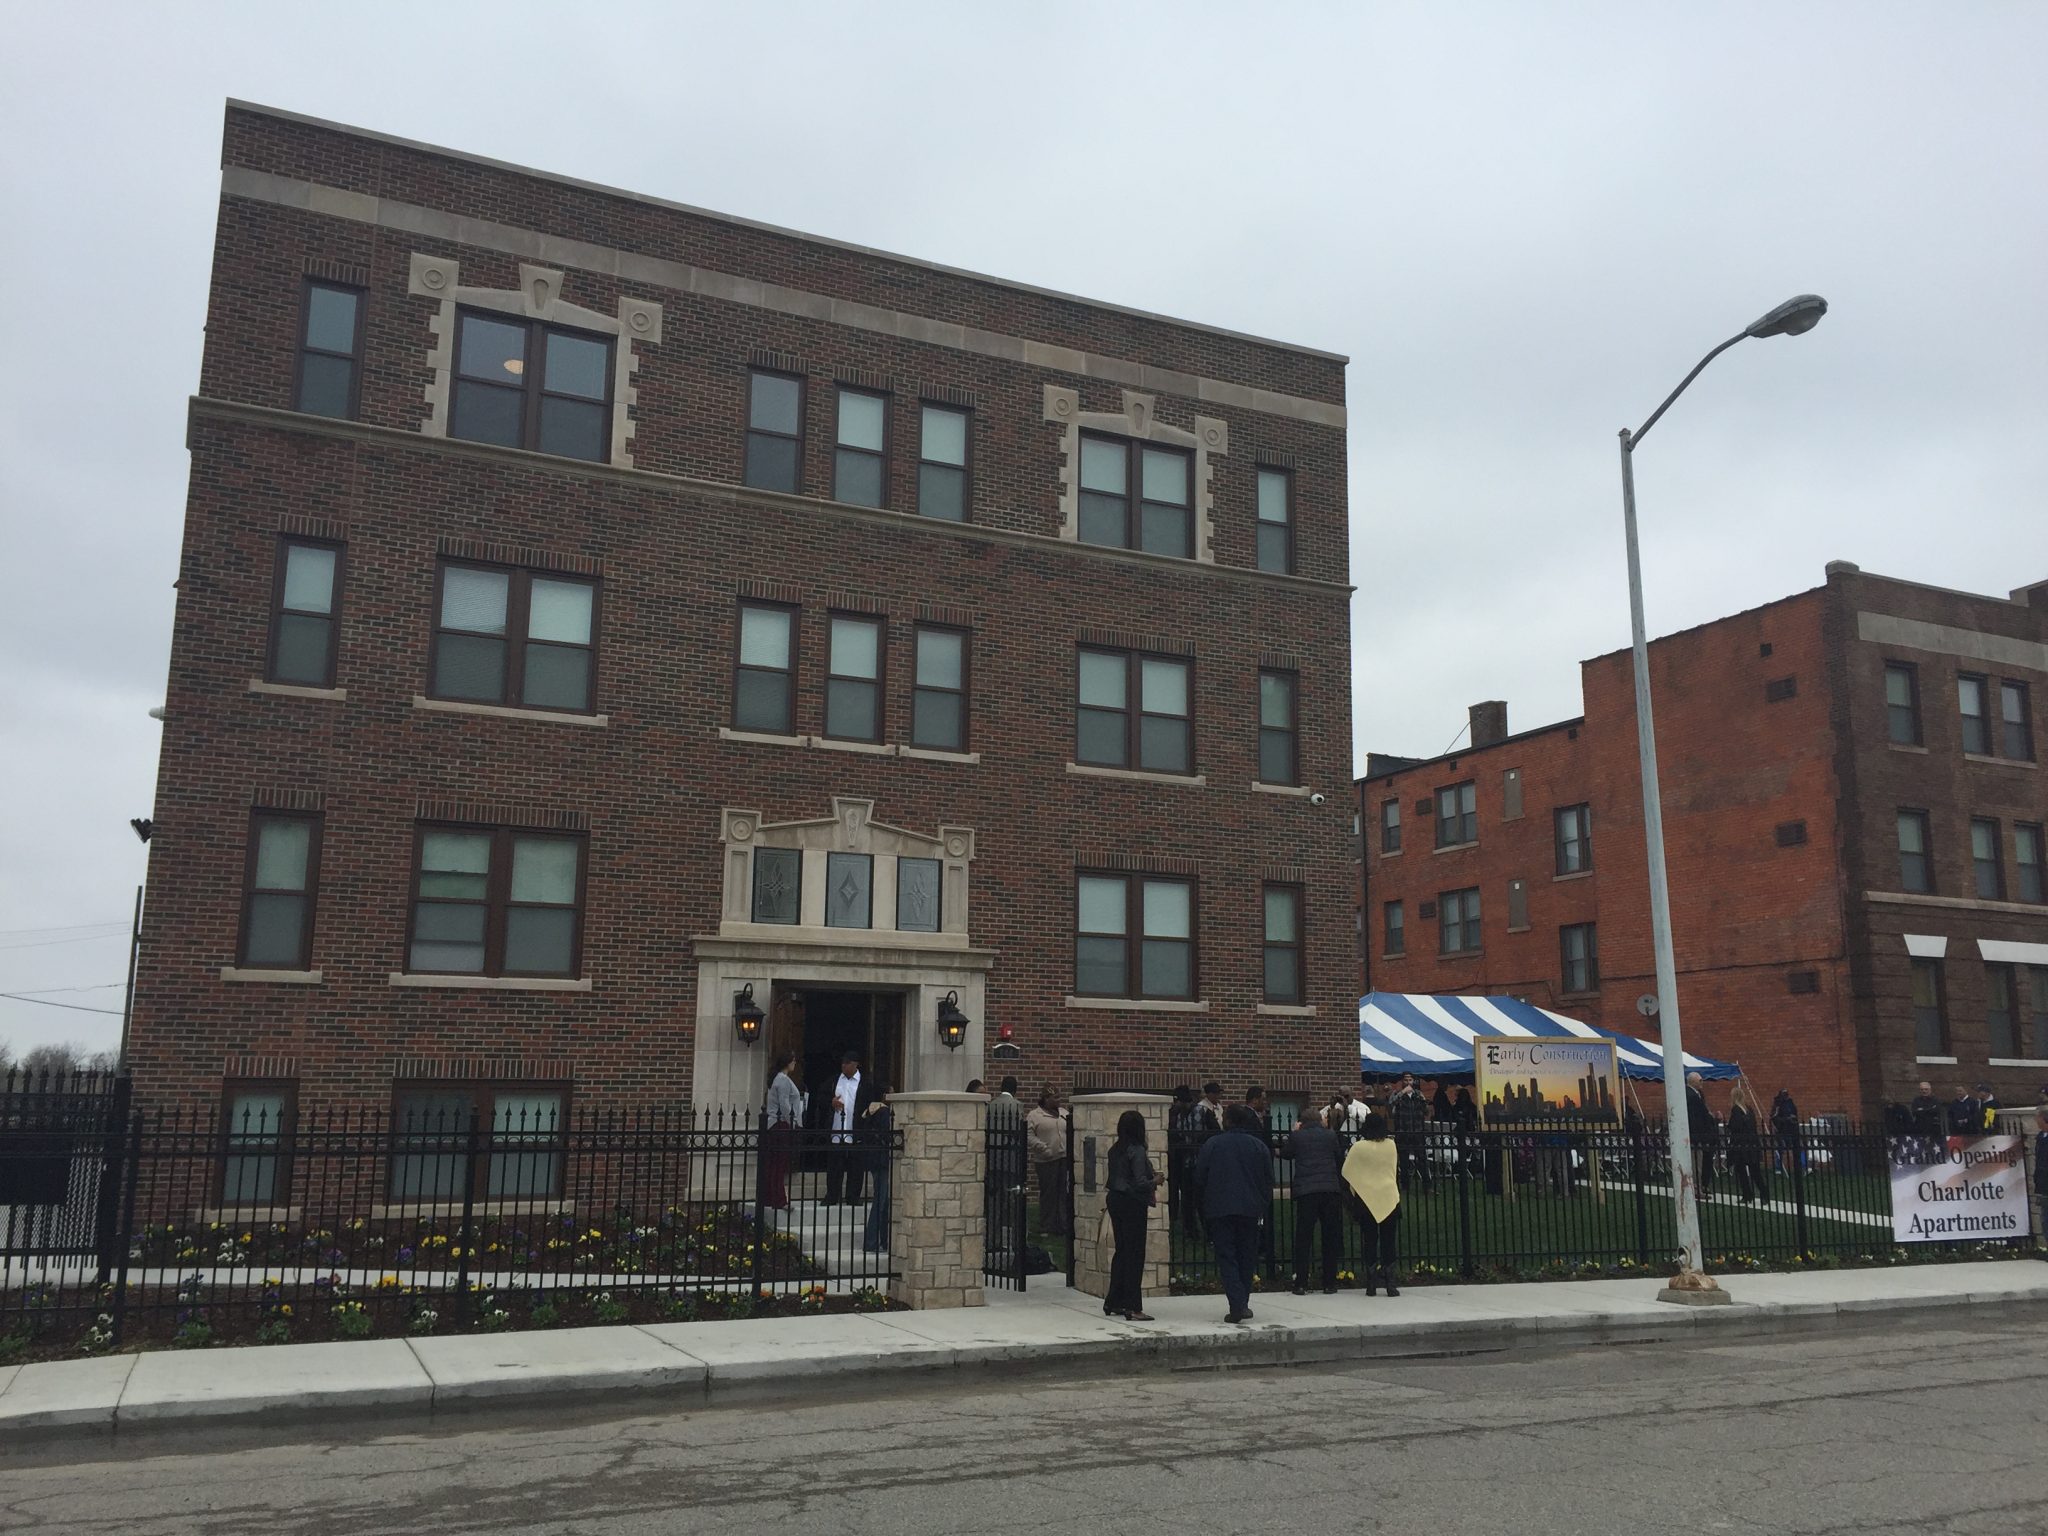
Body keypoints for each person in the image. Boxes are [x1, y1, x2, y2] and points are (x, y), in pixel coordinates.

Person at [1194, 1103, 1274, 1324]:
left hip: (1219, 1208)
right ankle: (1242, 1302)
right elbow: (1268, 1180)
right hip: (1250, 1209)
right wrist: (1261, 1203)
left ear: (1226, 1121)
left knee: (1227, 1256)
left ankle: (1236, 1303)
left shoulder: (1213, 1144)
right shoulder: (1258, 1146)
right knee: (1247, 1256)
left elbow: (1199, 1176)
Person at [1104, 1109, 1164, 1321]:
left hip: (1114, 1199)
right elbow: (1139, 1183)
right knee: (1135, 1254)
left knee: (1121, 1251)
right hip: (1132, 1202)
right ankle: (1133, 1306)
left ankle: (1114, 1300)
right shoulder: (1136, 1150)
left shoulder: (1115, 1149)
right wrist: (1156, 1180)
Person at [1285, 1104, 1344, 1295]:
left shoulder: (1297, 1136)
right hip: (1329, 1189)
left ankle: (1301, 1282)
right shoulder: (1330, 1135)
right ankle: (1329, 1282)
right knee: (1330, 1236)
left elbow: (1287, 1154)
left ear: (1302, 1122)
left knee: (1304, 1237)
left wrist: (1293, 1132)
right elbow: (1338, 1157)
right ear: (1319, 1120)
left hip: (1307, 1191)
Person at [1342, 1111, 1402, 1296]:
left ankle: (1371, 1283)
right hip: (1389, 1196)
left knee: (1369, 1239)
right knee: (1388, 1239)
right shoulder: (1391, 1145)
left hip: (1366, 1198)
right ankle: (1390, 1283)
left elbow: (1347, 1171)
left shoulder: (1358, 1147)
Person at [825, 1052, 873, 1205]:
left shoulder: (865, 1083)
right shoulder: (834, 1081)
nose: (843, 1066)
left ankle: (853, 1196)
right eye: (842, 1063)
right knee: (834, 1165)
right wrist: (830, 1102)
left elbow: (869, 1104)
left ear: (855, 1064)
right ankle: (832, 1195)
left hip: (855, 1130)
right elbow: (821, 1096)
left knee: (856, 1165)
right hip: (837, 1130)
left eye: (847, 1063)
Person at [762, 1051, 805, 1210]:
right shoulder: (783, 1080)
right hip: (780, 1125)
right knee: (779, 1164)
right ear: (788, 1062)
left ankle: (769, 1197)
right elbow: (785, 1105)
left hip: (774, 1124)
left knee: (773, 1163)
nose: (795, 1063)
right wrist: (793, 1123)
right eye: (793, 1061)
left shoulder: (777, 1079)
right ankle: (780, 1200)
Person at [1026, 1089, 1070, 1237]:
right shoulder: (1035, 1115)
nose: (1058, 1100)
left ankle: (1062, 1225)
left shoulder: (1064, 1113)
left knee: (1063, 1192)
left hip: (1064, 1159)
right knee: (1049, 1193)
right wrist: (1042, 1148)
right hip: (1046, 1160)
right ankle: (1047, 1225)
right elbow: (1029, 1135)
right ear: (1046, 1098)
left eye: (1059, 1097)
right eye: (1055, 1097)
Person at [860, 1082, 894, 1253]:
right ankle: (871, 1241)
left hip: (873, 1160)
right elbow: (888, 1135)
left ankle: (884, 1240)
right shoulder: (884, 1112)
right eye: (891, 1093)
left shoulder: (869, 1112)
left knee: (884, 1200)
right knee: (880, 1201)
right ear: (884, 1096)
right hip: (882, 1160)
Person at [1167, 1086, 1204, 1241]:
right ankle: (1188, 1229)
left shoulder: (1200, 1112)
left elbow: (1209, 1133)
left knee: (1199, 1199)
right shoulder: (1175, 1114)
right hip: (1179, 1161)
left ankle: (1202, 1230)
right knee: (1184, 1199)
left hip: (1197, 1161)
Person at [1726, 1083, 1765, 1205]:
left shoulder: (1736, 1110)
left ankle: (1747, 1194)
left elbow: (1735, 1126)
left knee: (1741, 1171)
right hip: (1752, 1143)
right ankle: (1764, 1194)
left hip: (1741, 1146)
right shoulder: (1749, 1109)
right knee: (1755, 1171)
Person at [1390, 1072, 1430, 1187]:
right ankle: (1405, 1184)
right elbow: (1391, 1104)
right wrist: (1402, 1092)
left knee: (1422, 1158)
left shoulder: (1418, 1094)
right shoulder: (1397, 1093)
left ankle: (1427, 1185)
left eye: (1410, 1080)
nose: (1408, 1082)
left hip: (1417, 1130)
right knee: (1404, 1160)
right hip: (1403, 1130)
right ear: (1402, 1081)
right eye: (1406, 1080)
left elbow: (1426, 1111)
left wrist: (1423, 1100)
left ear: (1413, 1081)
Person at [1685, 1072, 1720, 1198]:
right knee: (1696, 1164)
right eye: (1700, 1080)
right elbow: (1698, 1117)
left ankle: (1700, 1186)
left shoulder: (1697, 1094)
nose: (1702, 1082)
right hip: (1696, 1135)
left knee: (1701, 1163)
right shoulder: (1691, 1095)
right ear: (1692, 1081)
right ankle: (1696, 1188)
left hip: (1700, 1135)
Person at [1770, 1087, 1801, 1176]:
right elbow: (1774, 1117)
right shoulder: (1777, 1104)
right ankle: (1778, 1168)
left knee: (1796, 1148)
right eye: (1784, 1094)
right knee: (1780, 1149)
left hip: (1791, 1129)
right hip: (1781, 1130)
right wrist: (1786, 1119)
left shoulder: (1790, 1103)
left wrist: (1793, 1118)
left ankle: (1799, 1166)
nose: (1785, 1096)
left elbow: (1795, 1113)